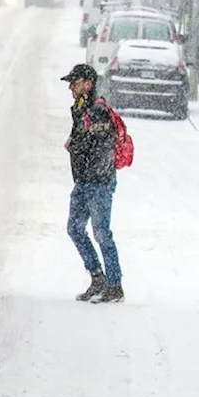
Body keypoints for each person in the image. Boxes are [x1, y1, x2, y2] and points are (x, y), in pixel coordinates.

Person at [61, 63, 124, 304]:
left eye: (74, 82)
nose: (70, 87)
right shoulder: (82, 108)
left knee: (101, 233)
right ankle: (97, 277)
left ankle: (114, 285)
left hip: (98, 181)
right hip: (85, 180)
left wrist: (75, 146)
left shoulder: (98, 110)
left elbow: (98, 145)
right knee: (75, 229)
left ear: (88, 83)